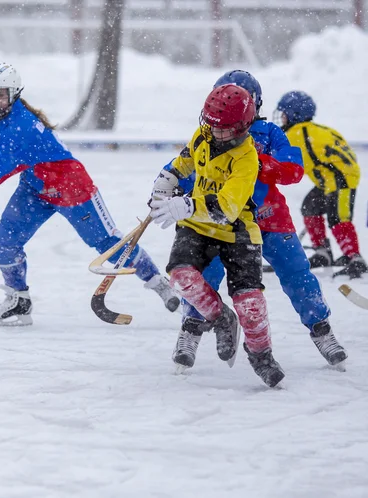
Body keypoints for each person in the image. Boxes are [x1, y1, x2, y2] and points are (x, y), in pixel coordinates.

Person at [0, 62, 179, 327]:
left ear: (13, 94)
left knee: (108, 245)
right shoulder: (6, 119)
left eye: (0, 95)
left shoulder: (22, 126)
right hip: (36, 188)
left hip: (71, 189)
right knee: (4, 241)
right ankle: (18, 300)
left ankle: (159, 283)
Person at [165, 71, 347, 372]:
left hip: (268, 218)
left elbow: (293, 170)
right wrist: (171, 187)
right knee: (203, 274)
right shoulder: (212, 132)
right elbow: (186, 165)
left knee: (297, 274)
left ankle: (321, 330)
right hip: (220, 223)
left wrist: (255, 163)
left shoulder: (270, 133)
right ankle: (191, 329)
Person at [149, 83, 285, 388]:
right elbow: (182, 163)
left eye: (222, 129)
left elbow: (226, 208)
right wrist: (165, 182)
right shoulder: (204, 135)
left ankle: (261, 354)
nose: (213, 132)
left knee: (250, 302)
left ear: (242, 128)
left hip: (236, 229)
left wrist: (184, 205)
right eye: (209, 124)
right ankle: (221, 317)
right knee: (182, 275)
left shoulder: (247, 159)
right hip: (197, 225)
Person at [274, 91, 367, 279]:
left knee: (338, 217)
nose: (282, 118)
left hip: (341, 178)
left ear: (294, 115)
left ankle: (355, 258)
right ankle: (322, 252)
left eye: (284, 114)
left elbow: (285, 161)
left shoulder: (296, 133)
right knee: (310, 207)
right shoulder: (318, 129)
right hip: (332, 178)